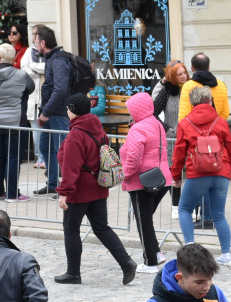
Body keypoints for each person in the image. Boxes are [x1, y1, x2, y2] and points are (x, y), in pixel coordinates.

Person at [54, 93, 137, 285]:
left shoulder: (76, 135)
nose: (66, 111)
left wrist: (64, 192)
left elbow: (71, 167)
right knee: (101, 227)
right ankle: (126, 262)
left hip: (79, 190)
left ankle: (73, 273)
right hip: (98, 187)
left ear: (72, 110)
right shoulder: (97, 128)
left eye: (67, 108)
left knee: (71, 229)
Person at [171, 86, 231, 265]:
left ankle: (191, 251)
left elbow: (178, 153)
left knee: (184, 209)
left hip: (197, 173)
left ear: (192, 102)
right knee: (219, 215)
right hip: (220, 171)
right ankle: (226, 255)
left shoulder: (185, 123)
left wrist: (176, 176)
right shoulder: (221, 121)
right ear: (210, 100)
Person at [120, 91, 173, 273]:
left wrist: (125, 174)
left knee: (143, 222)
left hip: (142, 181)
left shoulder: (138, 128)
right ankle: (155, 253)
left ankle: (150, 262)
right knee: (146, 220)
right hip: (161, 178)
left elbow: (134, 158)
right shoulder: (156, 124)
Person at [0, 43, 35, 203]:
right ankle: (12, 194)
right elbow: (31, 87)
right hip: (14, 121)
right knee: (13, 157)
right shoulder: (21, 75)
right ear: (13, 58)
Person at [32, 25, 73, 197]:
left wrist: (45, 112)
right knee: (45, 147)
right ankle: (52, 184)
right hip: (51, 113)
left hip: (59, 114)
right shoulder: (51, 59)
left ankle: (68, 188)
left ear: (42, 43)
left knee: (64, 152)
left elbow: (60, 90)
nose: (35, 46)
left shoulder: (58, 60)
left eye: (35, 42)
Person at [152, 59, 190, 220]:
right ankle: (176, 206)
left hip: (190, 137)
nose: (183, 76)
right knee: (174, 172)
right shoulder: (167, 91)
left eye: (184, 73)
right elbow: (153, 112)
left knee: (193, 171)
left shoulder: (191, 88)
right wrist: (166, 128)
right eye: (179, 74)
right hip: (173, 138)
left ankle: (191, 206)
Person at [22, 24, 48, 170]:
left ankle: (46, 158)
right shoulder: (29, 51)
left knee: (46, 130)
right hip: (33, 97)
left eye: (36, 34)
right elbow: (24, 69)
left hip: (45, 97)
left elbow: (48, 68)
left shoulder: (48, 50)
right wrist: (37, 70)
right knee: (35, 130)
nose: (33, 37)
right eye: (32, 34)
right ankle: (39, 157)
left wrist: (33, 66)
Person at [178, 53, 230, 121]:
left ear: (192, 68)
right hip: (215, 126)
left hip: (195, 126)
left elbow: (184, 115)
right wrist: (215, 124)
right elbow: (225, 113)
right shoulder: (221, 85)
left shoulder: (188, 86)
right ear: (208, 67)